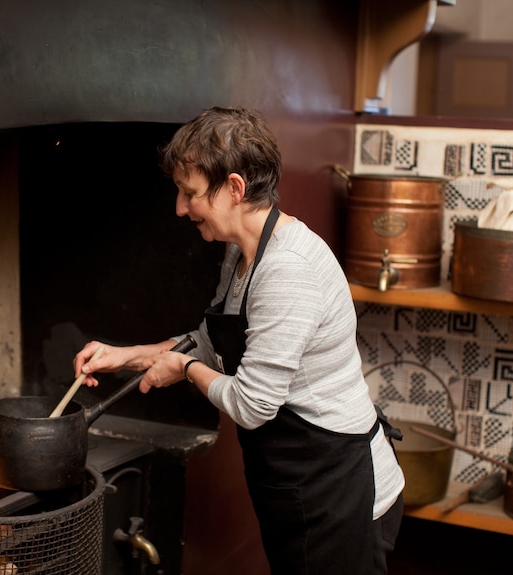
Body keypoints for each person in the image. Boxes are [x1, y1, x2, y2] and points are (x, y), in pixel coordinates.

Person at [73, 106, 405, 574]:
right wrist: (121, 357)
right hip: (297, 485)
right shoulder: (241, 255)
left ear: (234, 188)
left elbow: (251, 405)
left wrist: (184, 370)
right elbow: (208, 343)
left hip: (340, 492)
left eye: (190, 194)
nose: (180, 208)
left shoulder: (287, 271)